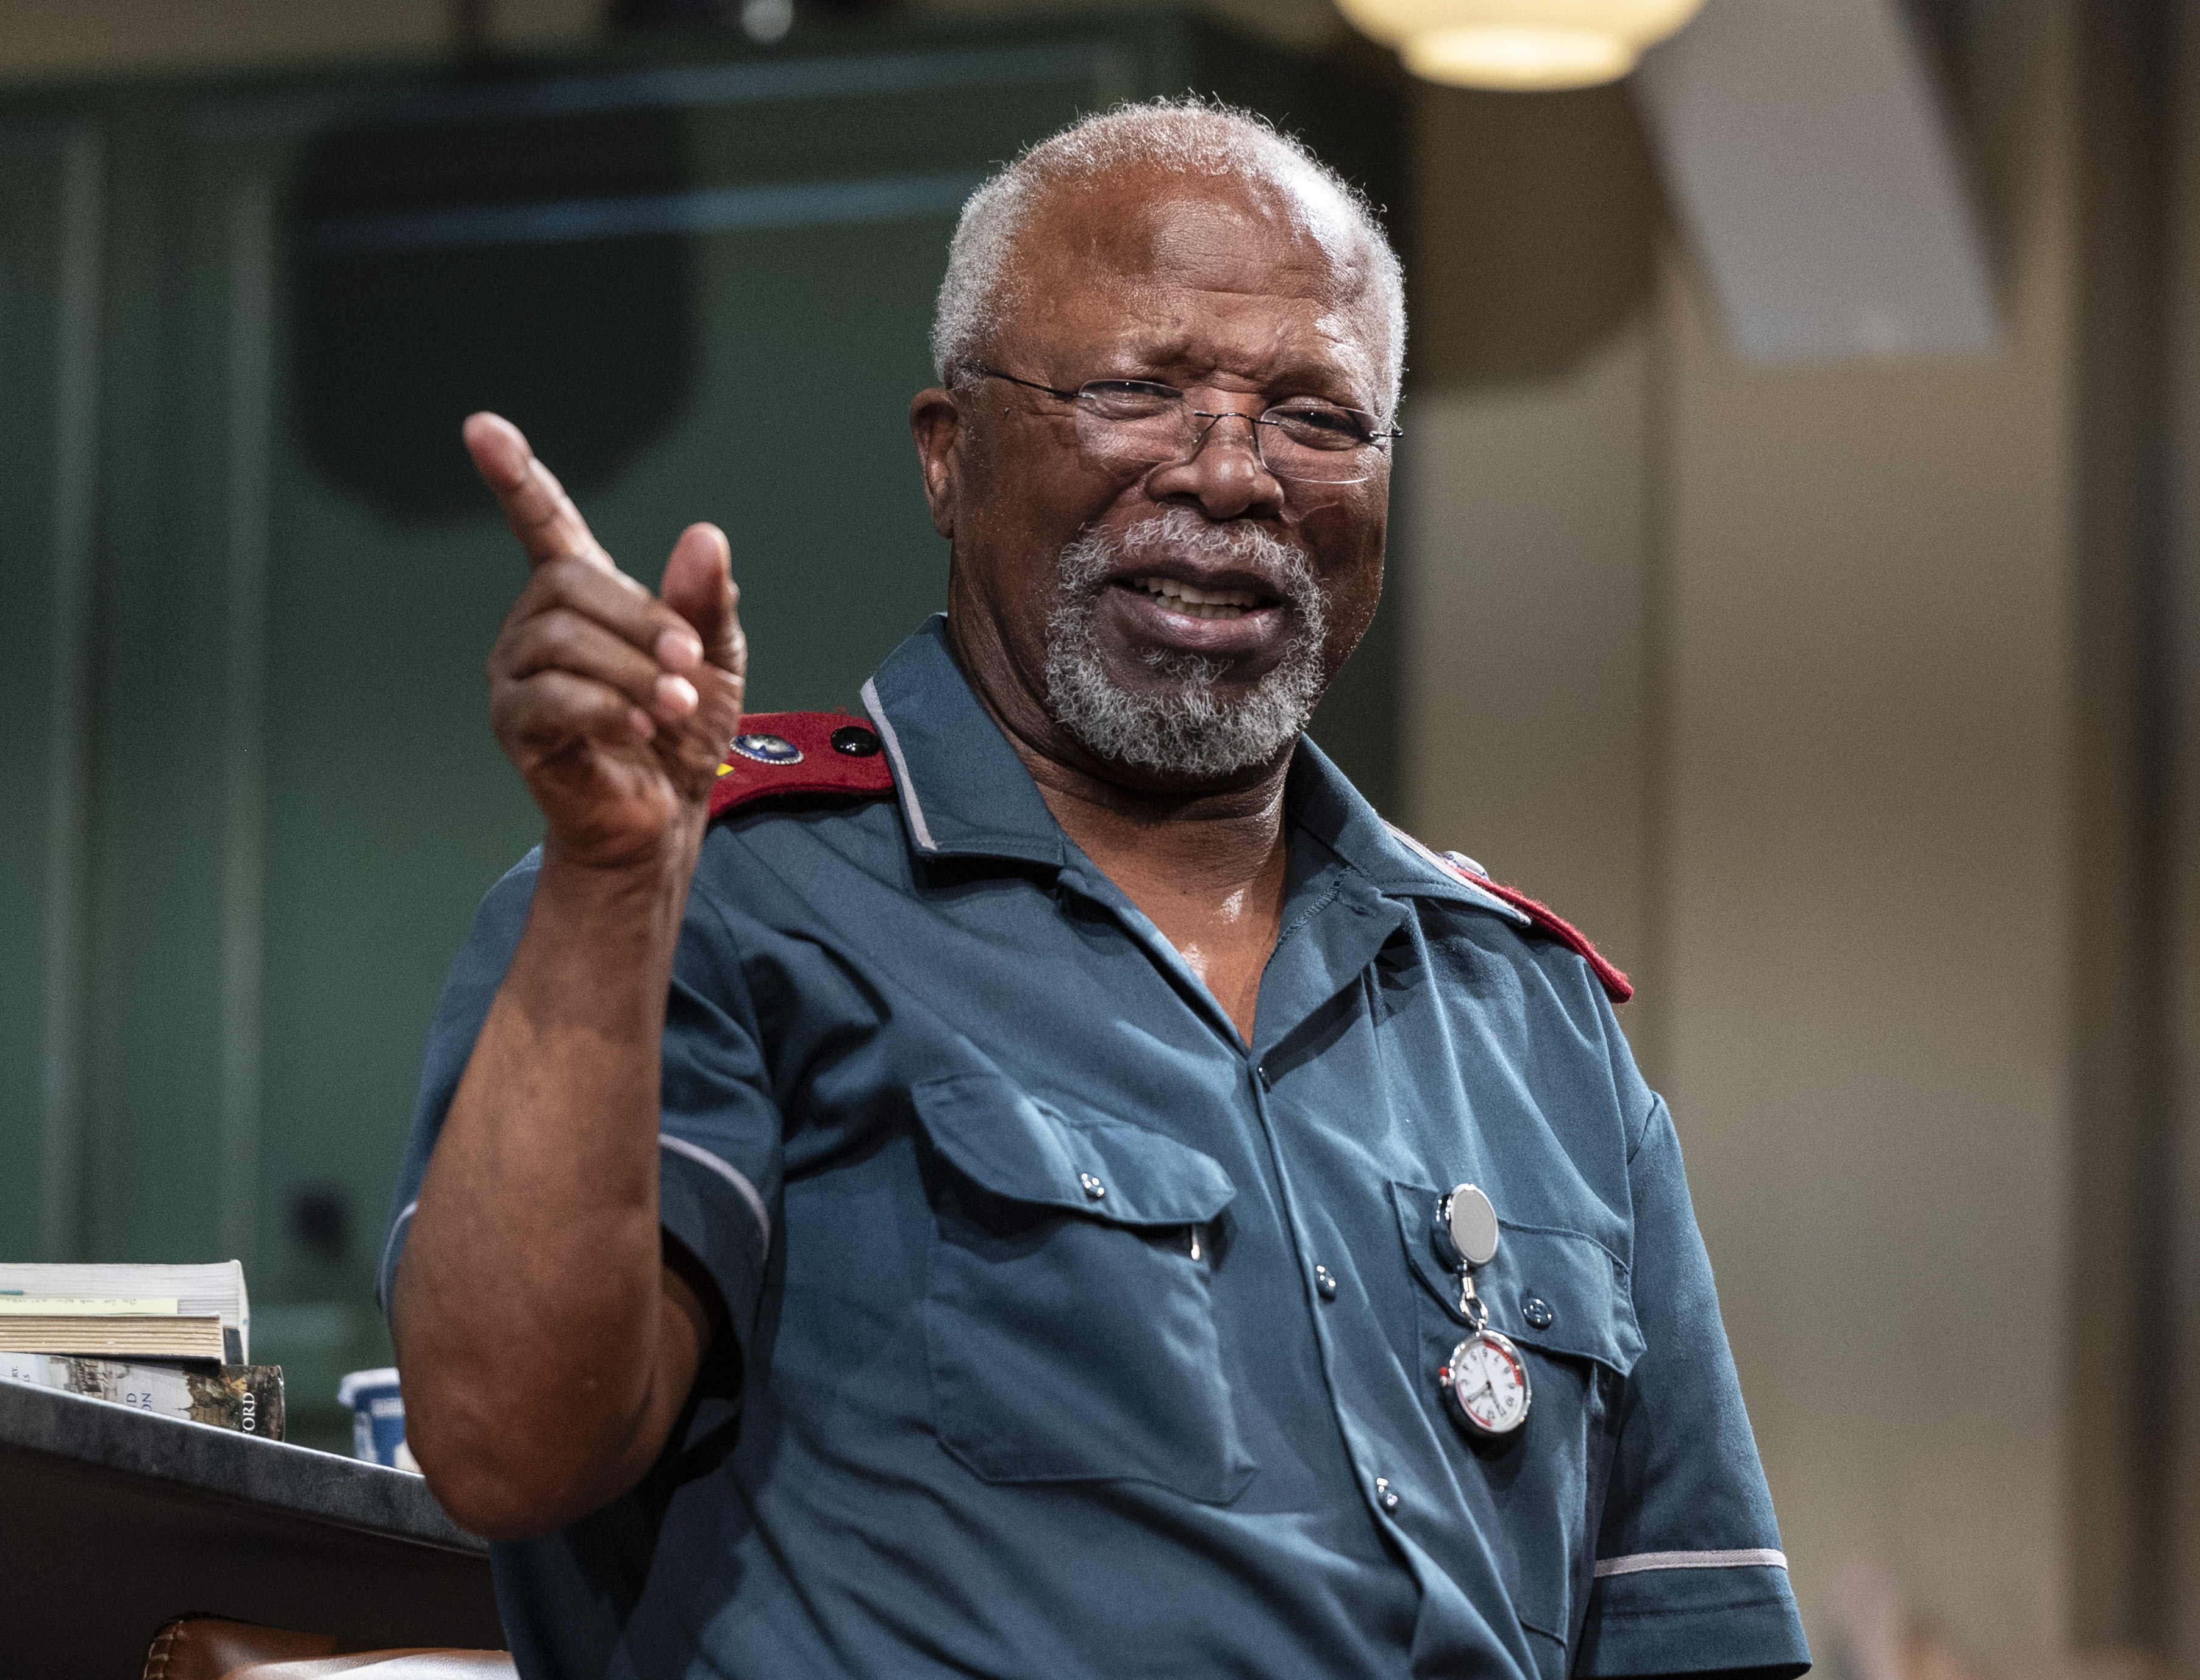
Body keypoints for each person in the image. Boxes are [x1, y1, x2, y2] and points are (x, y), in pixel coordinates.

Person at [381, 99, 1810, 1680]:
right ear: (947, 454)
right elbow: (504, 1448)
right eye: (1135, 390)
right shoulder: (706, 899)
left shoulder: (1527, 1019)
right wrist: (601, 879)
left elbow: (1694, 1642)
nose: (1227, 474)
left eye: (1315, 417)